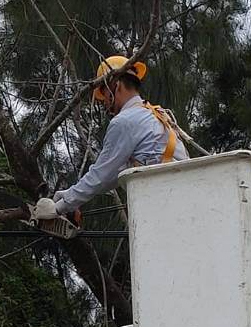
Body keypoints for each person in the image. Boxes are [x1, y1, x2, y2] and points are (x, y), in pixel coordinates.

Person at [30, 55, 188, 228]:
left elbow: (102, 174)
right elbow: (114, 173)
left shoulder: (125, 121)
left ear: (116, 85)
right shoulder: (154, 114)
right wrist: (70, 197)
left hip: (163, 196)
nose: (104, 102)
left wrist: (57, 208)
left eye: (104, 94)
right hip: (180, 193)